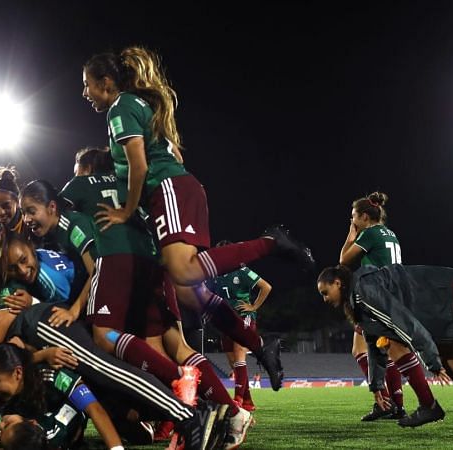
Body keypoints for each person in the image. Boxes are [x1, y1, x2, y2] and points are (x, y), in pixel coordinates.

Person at [82, 48, 312, 387]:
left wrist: (126, 211)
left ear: (105, 83)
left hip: (169, 191)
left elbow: (140, 165)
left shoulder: (120, 107)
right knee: (192, 293)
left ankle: (270, 242)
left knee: (184, 270)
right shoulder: (138, 107)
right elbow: (171, 152)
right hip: (176, 192)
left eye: (87, 85)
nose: (85, 93)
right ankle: (260, 345)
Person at [31, 174, 252, 448]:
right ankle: (227, 411)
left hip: (121, 264)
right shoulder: (127, 184)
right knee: (173, 347)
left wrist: (75, 309)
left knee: (106, 337)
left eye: (31, 210)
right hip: (154, 263)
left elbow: (94, 265)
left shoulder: (75, 205)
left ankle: (182, 401)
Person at [317, 264, 453, 431]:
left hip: (441, 298)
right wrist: (376, 388)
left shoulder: (363, 291)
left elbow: (404, 323)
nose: (324, 299)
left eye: (325, 292)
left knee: (398, 346)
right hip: (452, 292)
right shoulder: (359, 296)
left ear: (337, 283)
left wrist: (431, 361)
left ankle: (429, 406)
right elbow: (373, 342)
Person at [0, 343, 122, 450]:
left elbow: (93, 408)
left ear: (18, 373)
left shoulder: (52, 375)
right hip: (33, 436)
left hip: (63, 429)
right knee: (2, 437)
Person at [338, 192, 406, 421]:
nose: (352, 220)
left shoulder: (369, 233)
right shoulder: (390, 233)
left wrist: (351, 234)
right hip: (394, 294)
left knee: (361, 350)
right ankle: (395, 404)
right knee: (387, 352)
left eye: (353, 216)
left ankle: (386, 402)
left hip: (377, 295)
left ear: (364, 217)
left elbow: (344, 260)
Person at [205, 241, 273, 412]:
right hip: (225, 320)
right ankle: (248, 401)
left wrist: (254, 306)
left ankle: (238, 400)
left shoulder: (242, 271)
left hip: (243, 317)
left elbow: (266, 287)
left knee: (239, 355)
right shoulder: (215, 275)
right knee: (233, 362)